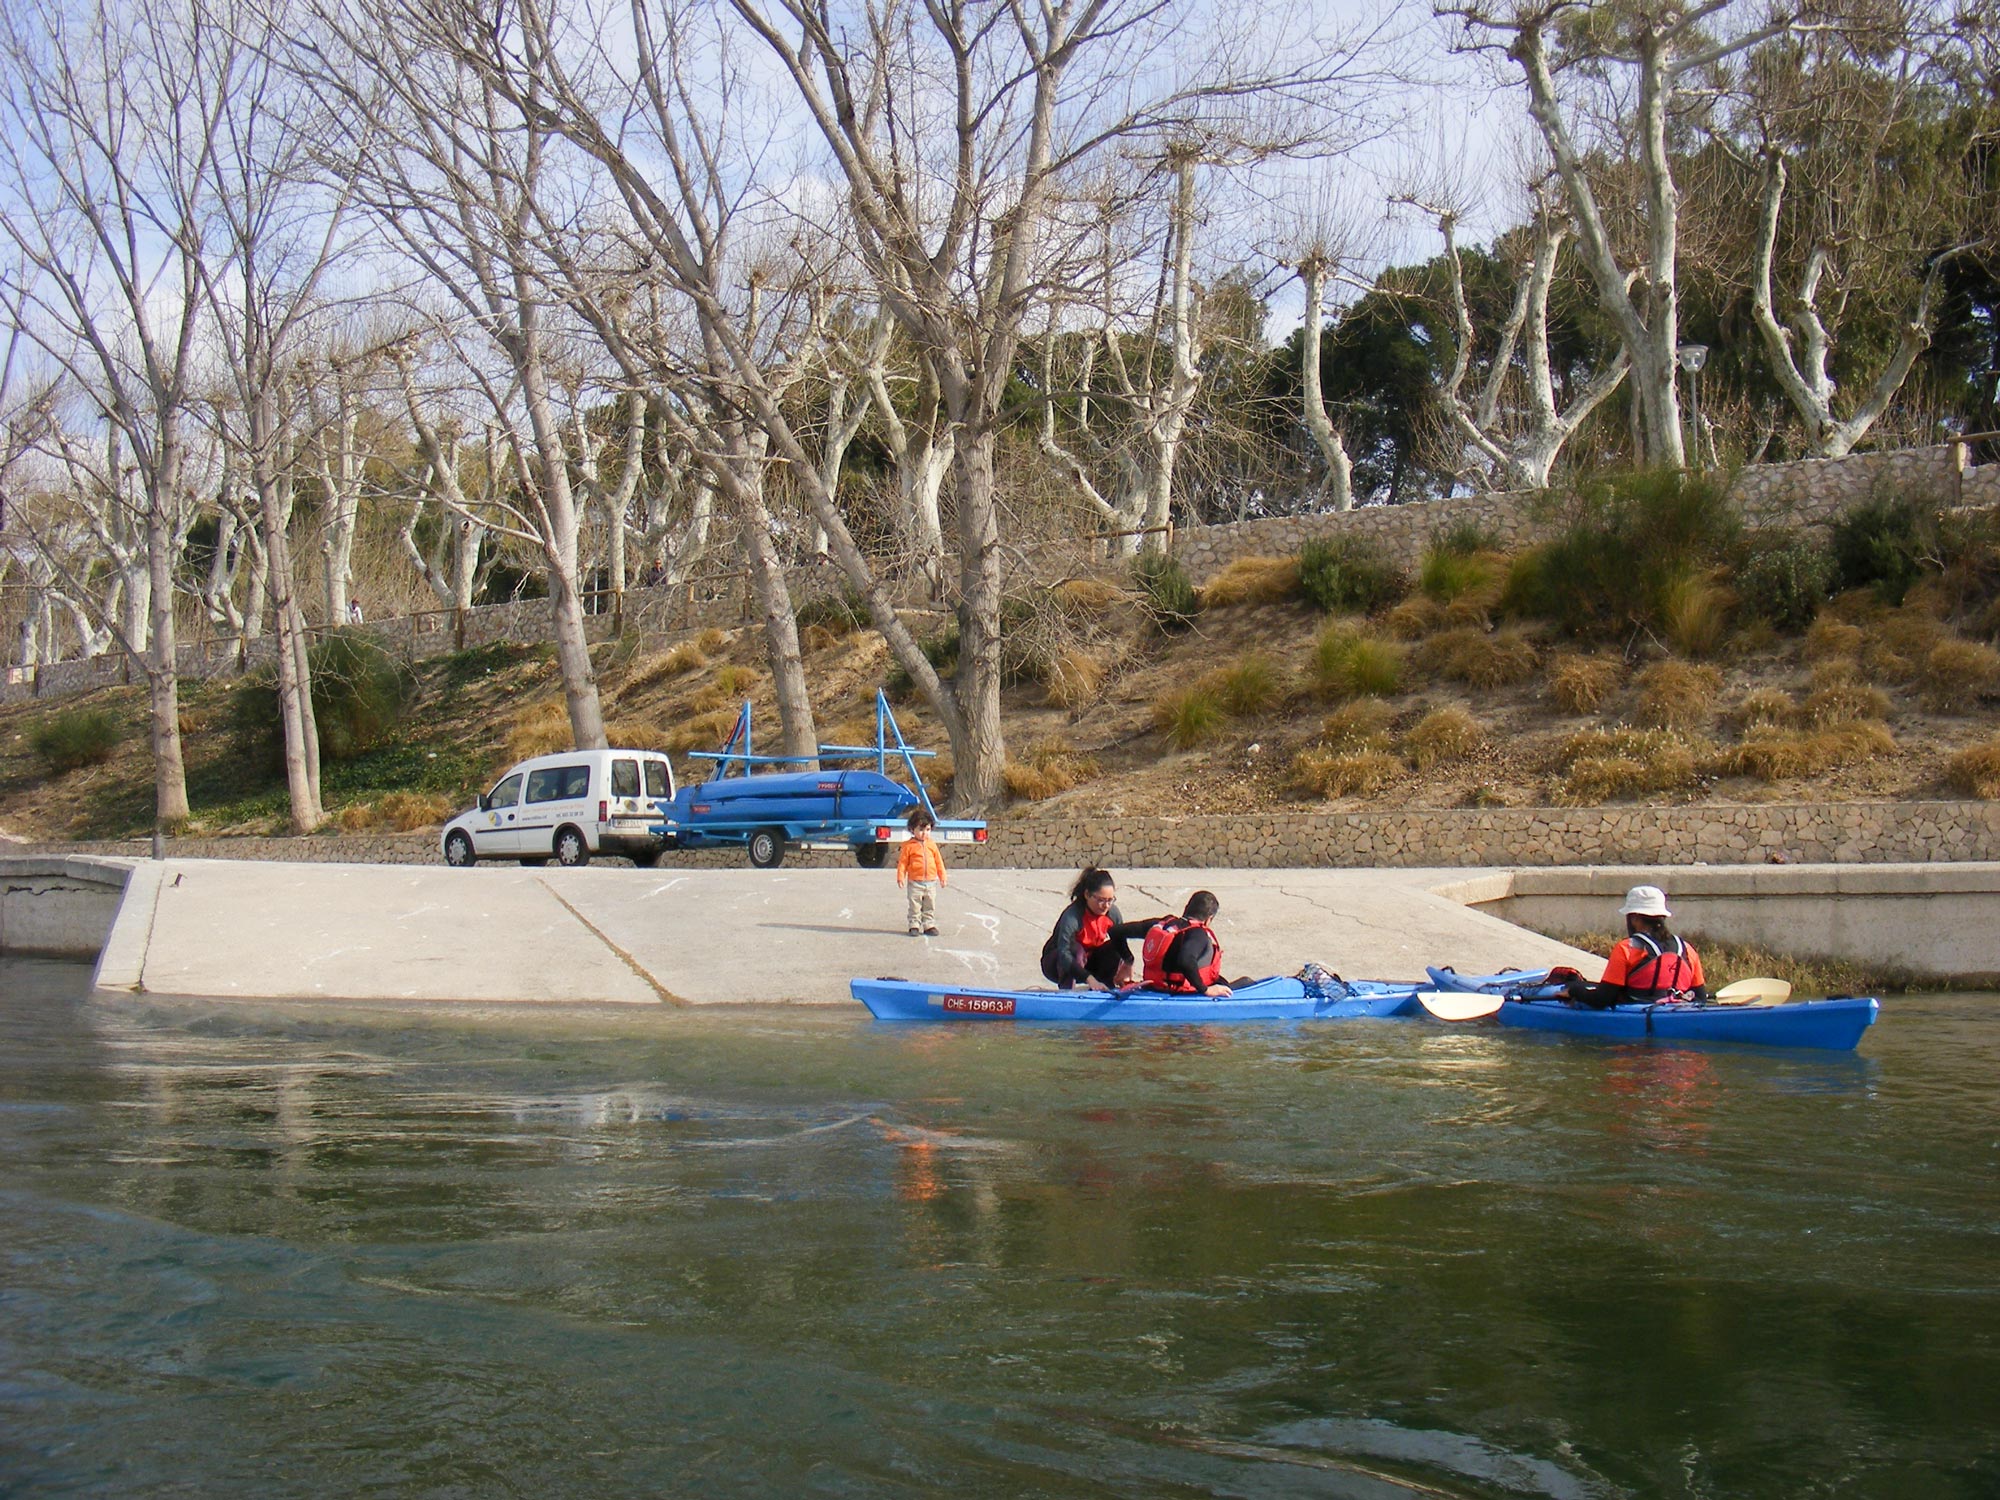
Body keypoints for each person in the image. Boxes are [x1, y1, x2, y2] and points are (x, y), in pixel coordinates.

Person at [1564, 885, 1708, 1008]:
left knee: (1577, 986)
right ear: (1662, 917)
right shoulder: (1688, 949)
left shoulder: (1626, 948)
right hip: (1676, 1010)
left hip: (1636, 1014)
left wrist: (1574, 991)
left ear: (1634, 919)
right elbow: (1701, 999)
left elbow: (1602, 1000)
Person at [1040, 868, 1155, 990]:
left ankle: (1105, 988)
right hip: (1059, 963)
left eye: (1110, 900)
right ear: (1087, 895)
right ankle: (1067, 991)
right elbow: (1064, 954)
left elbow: (1121, 941)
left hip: (1089, 962)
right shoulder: (1073, 916)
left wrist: (1128, 962)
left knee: (1115, 946)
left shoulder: (1112, 914)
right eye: (1100, 900)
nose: (1106, 906)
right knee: (1076, 951)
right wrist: (1089, 979)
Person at [1138, 890, 1236, 997]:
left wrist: (1127, 960)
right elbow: (1185, 960)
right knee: (1246, 981)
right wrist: (1205, 990)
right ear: (1209, 919)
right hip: (1182, 992)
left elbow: (1119, 932)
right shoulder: (1198, 934)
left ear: (1186, 908)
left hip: (1156, 987)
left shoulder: (1163, 925)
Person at [896, 808, 946, 937]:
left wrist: (942, 876)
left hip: (931, 882)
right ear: (912, 830)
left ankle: (929, 924)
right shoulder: (908, 846)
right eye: (921, 830)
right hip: (915, 882)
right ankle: (914, 924)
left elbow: (938, 861)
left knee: (929, 904)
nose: (925, 833)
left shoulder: (932, 845)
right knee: (915, 904)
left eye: (928, 830)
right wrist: (900, 877)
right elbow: (903, 863)